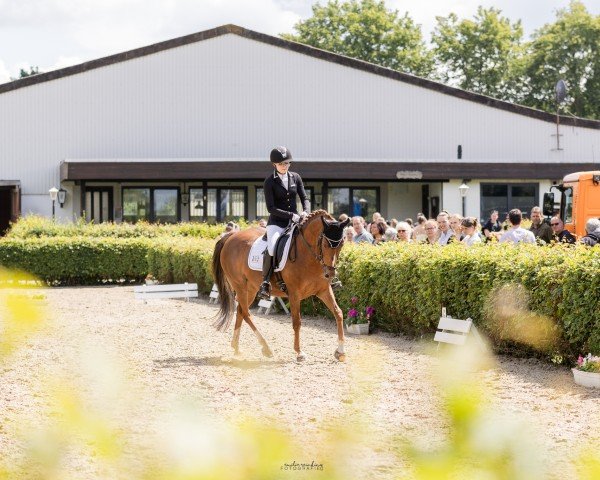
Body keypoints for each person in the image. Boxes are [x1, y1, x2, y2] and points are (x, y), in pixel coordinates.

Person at [259, 146, 309, 300]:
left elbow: (304, 197)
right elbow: (271, 208)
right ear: (274, 164)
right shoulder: (269, 182)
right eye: (281, 164)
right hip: (277, 223)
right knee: (273, 247)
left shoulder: (296, 177)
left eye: (287, 163)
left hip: (295, 222)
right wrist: (291, 215)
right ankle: (266, 282)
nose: (285, 166)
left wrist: (306, 211)